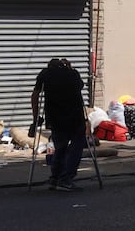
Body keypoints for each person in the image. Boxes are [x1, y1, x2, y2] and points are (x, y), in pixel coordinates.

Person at [31, 58, 87, 192]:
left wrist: (35, 119)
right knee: (77, 146)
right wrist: (70, 68)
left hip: (55, 117)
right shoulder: (73, 74)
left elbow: (35, 95)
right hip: (74, 117)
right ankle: (66, 179)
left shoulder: (45, 74)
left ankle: (55, 178)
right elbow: (80, 86)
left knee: (60, 147)